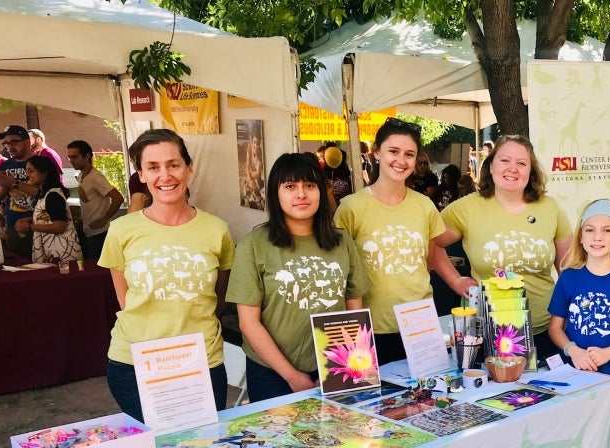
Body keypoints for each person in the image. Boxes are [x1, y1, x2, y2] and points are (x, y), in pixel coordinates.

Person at [99, 128, 235, 420]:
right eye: (153, 167)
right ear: (142, 175)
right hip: (135, 363)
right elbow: (126, 301)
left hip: (200, 362)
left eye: (173, 164)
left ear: (189, 168)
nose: (165, 176)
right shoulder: (121, 230)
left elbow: (217, 299)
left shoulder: (217, 230)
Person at [226, 153, 368, 402]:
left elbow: (353, 310)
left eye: (310, 185)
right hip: (272, 373)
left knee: (340, 437)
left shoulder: (342, 242)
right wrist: (292, 376)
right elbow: (248, 323)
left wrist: (345, 368)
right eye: (290, 186)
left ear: (321, 192)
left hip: (335, 366)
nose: (301, 194)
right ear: (275, 193)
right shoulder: (254, 245)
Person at [333, 117, 472, 365]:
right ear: (376, 153)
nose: (401, 160)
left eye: (409, 154)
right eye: (393, 151)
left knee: (425, 400)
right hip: (370, 328)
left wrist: (456, 280)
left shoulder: (424, 205)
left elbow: (431, 254)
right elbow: (340, 270)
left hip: (419, 326)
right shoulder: (350, 208)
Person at [438, 135, 572, 359]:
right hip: (490, 334)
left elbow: (569, 271)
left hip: (548, 331)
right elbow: (431, 243)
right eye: (504, 161)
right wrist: (455, 280)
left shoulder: (550, 208)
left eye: (521, 163)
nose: (513, 169)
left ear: (531, 171)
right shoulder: (468, 208)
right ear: (490, 165)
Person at [547, 199, 610, 401]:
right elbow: (555, 328)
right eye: (590, 230)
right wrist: (573, 351)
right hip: (573, 373)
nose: (597, 237)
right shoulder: (568, 278)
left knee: (606, 429)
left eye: (607, 230)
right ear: (581, 237)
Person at [66, 139, 124, 259]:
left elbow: (118, 198)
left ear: (87, 156)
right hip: (89, 232)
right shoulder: (82, 175)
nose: (71, 161)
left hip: (99, 234)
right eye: (69, 157)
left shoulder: (95, 177)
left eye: (75, 157)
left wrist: (104, 219)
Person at [0, 125, 40, 260]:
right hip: (13, 227)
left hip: (39, 226)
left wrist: (14, 183)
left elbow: (46, 192)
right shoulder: (5, 165)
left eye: (14, 142)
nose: (10, 147)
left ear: (27, 141)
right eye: (6, 143)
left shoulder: (41, 163)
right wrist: (4, 188)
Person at [23, 156, 82, 264]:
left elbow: (59, 226)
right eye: (27, 171)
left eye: (31, 171)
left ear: (44, 173)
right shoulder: (44, 195)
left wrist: (30, 227)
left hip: (63, 254)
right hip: (54, 251)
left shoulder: (53, 195)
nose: (28, 175)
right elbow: (49, 217)